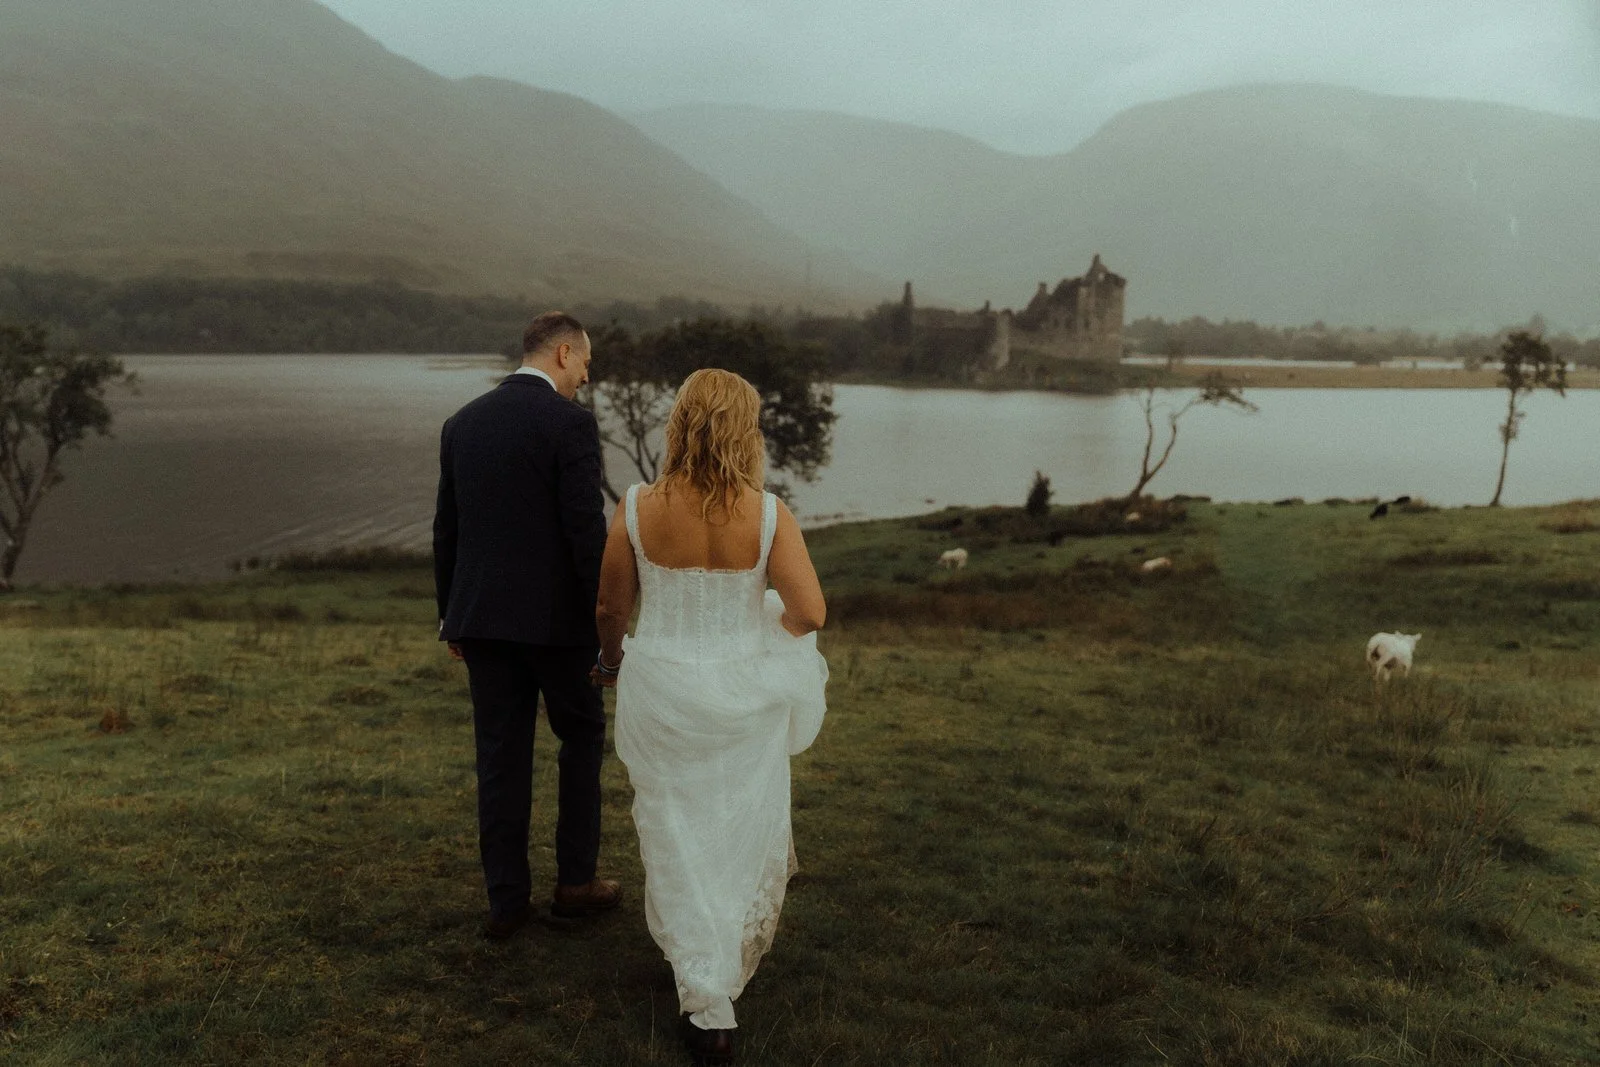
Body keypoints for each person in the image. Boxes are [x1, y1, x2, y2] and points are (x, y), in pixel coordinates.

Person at [594, 368, 828, 1066]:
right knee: (735, 823)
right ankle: (712, 985)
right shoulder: (768, 514)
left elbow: (611, 610)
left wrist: (610, 662)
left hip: (661, 689)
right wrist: (756, 630)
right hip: (741, 696)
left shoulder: (637, 506)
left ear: (681, 424)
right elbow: (810, 612)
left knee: (672, 823)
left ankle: (706, 994)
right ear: (744, 429)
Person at [433, 311, 622, 941]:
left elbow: (447, 533)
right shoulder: (569, 424)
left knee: (500, 758)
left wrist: (451, 616)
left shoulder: (463, 424)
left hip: (482, 621)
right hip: (560, 627)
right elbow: (583, 531)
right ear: (564, 353)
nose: (587, 378)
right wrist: (605, 619)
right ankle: (575, 884)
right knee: (582, 740)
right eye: (586, 365)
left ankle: (507, 903)